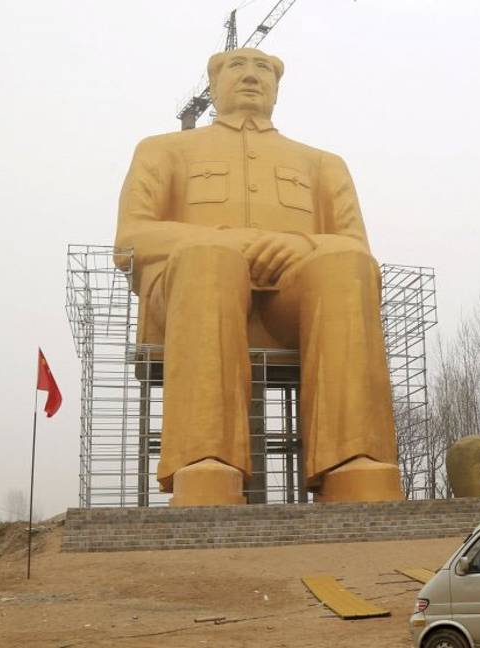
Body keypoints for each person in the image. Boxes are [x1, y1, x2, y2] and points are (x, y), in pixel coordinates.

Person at [114, 48, 403, 506]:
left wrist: (305, 245)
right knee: (210, 258)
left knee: (345, 269)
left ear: (278, 87)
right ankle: (205, 460)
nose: (251, 76)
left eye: (263, 69)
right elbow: (130, 238)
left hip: (291, 301)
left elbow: (356, 246)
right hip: (189, 294)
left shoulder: (322, 164)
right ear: (212, 84)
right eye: (236, 66)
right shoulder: (164, 150)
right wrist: (226, 239)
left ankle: (351, 460)